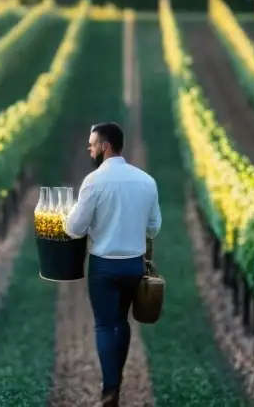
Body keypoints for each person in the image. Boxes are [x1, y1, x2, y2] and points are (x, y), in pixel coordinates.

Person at [64, 121, 162, 407]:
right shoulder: (146, 181)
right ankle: (115, 382)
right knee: (122, 321)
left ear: (105, 146)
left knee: (105, 325)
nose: (89, 148)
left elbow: (74, 228)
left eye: (92, 143)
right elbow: (154, 227)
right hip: (134, 266)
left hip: (103, 267)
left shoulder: (93, 182)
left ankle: (110, 389)